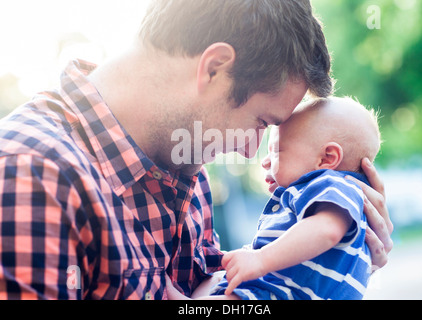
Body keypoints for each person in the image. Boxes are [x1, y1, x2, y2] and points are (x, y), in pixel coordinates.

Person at [0, 0, 392, 300]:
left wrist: (324, 269)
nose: (251, 150)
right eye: (261, 123)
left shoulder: (186, 172)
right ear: (214, 67)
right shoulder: (33, 174)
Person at [166, 96, 381, 300]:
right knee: (219, 279)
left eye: (277, 151)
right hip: (281, 288)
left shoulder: (336, 186)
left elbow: (327, 230)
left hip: (286, 293)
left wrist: (260, 259)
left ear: (326, 158)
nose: (265, 162)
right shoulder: (318, 195)